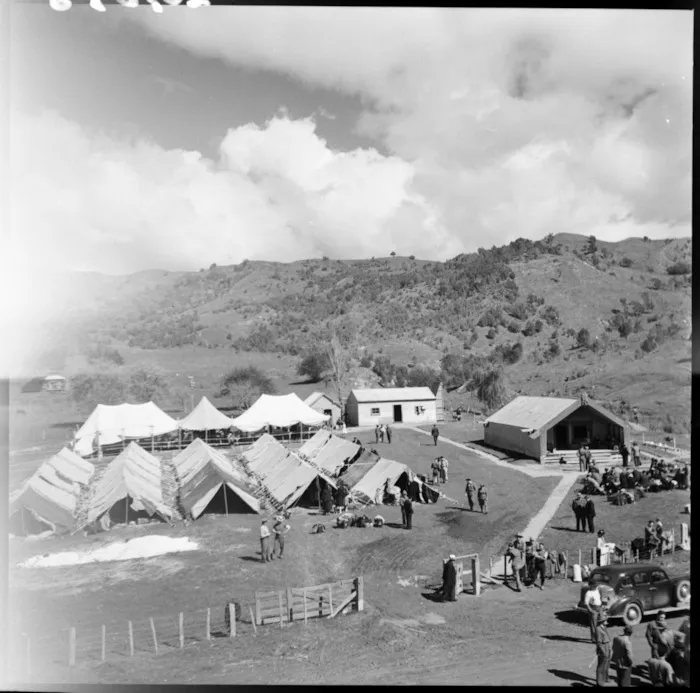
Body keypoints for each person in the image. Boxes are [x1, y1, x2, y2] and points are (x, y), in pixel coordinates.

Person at [594, 606, 612, 686]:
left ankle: (604, 679)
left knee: (606, 665)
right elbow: (599, 643)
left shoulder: (604, 627)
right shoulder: (598, 629)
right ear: (601, 622)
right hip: (603, 649)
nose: (606, 622)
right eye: (605, 620)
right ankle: (599, 682)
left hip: (607, 647)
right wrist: (604, 652)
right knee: (601, 666)